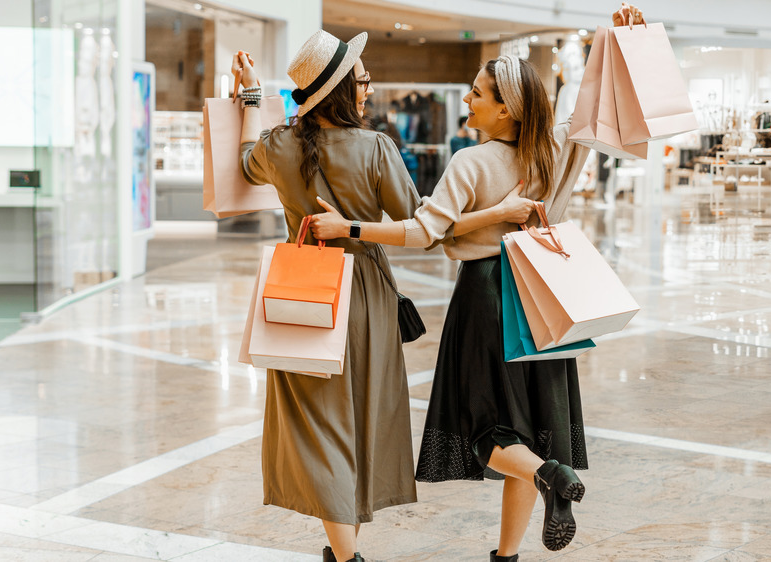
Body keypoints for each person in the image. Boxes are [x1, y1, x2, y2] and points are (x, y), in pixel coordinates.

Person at [232, 30, 533, 562]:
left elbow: (243, 159)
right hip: (365, 297)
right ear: (343, 90)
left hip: (301, 297)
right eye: (362, 79)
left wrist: (252, 95)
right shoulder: (375, 149)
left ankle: (346, 557)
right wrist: (496, 214)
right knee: (359, 415)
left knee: (317, 424)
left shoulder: (278, 146)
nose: (368, 87)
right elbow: (425, 225)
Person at [311, 53, 593, 560]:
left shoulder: (471, 161)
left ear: (506, 110)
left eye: (477, 93)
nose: (467, 99)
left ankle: (551, 474)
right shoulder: (552, 150)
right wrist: (617, 38)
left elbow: (422, 232)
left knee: (486, 434)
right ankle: (509, 552)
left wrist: (347, 228)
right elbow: (602, 105)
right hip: (543, 296)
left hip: (488, 294)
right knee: (528, 434)